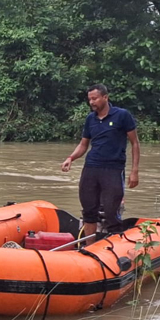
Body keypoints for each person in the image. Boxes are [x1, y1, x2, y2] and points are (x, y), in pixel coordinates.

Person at [62, 83, 140, 240]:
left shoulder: (122, 115)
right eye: (89, 99)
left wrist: (134, 171)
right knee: (89, 211)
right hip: (91, 168)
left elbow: (135, 143)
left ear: (105, 97)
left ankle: (116, 246)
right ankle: (89, 246)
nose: (91, 102)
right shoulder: (90, 119)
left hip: (113, 169)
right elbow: (84, 144)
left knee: (111, 212)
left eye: (95, 98)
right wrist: (71, 158)